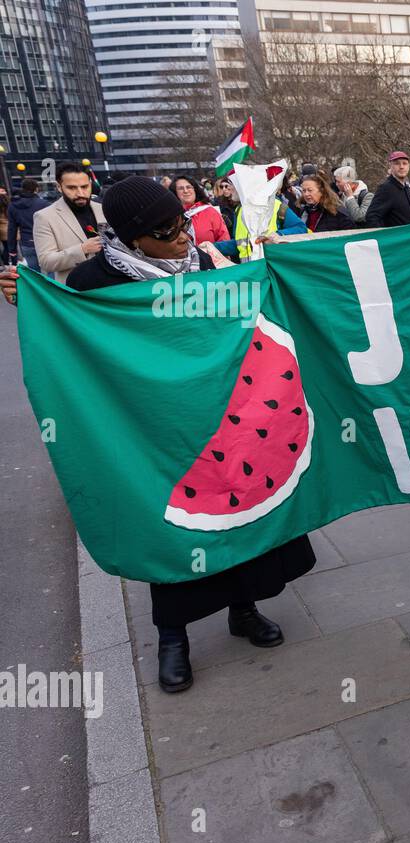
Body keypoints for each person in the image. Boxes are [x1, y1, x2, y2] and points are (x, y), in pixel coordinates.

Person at [51, 176, 314, 692]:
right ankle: (173, 637)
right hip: (153, 430)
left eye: (183, 223)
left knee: (240, 518)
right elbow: (67, 339)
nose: (182, 237)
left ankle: (243, 609)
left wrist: (283, 260)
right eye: (166, 229)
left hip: (229, 417)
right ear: (130, 238)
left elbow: (257, 312)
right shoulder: (93, 283)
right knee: (171, 532)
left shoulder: (210, 263)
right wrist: (27, 301)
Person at [34, 163, 106, 284]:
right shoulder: (44, 216)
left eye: (84, 187)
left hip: (110, 286)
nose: (80, 193)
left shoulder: (103, 209)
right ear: (59, 187)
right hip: (75, 291)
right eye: (72, 188)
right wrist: (82, 249)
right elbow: (46, 262)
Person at [169, 175, 230, 246]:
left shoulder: (210, 211)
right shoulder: (172, 215)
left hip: (210, 256)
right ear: (175, 192)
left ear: (195, 190)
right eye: (180, 188)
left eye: (189, 187)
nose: (185, 191)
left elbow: (224, 239)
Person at [6, 178, 51, 272]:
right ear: (36, 189)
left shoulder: (13, 205)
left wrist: (12, 249)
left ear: (22, 188)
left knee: (35, 274)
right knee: (52, 271)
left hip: (27, 243)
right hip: (46, 242)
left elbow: (12, 229)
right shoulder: (44, 204)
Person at [365, 151, 410, 228]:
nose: (401, 167)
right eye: (397, 163)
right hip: (397, 238)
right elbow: (372, 217)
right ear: (390, 166)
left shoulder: (408, 189)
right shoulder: (386, 188)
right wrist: (386, 237)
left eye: (404, 163)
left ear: (409, 166)